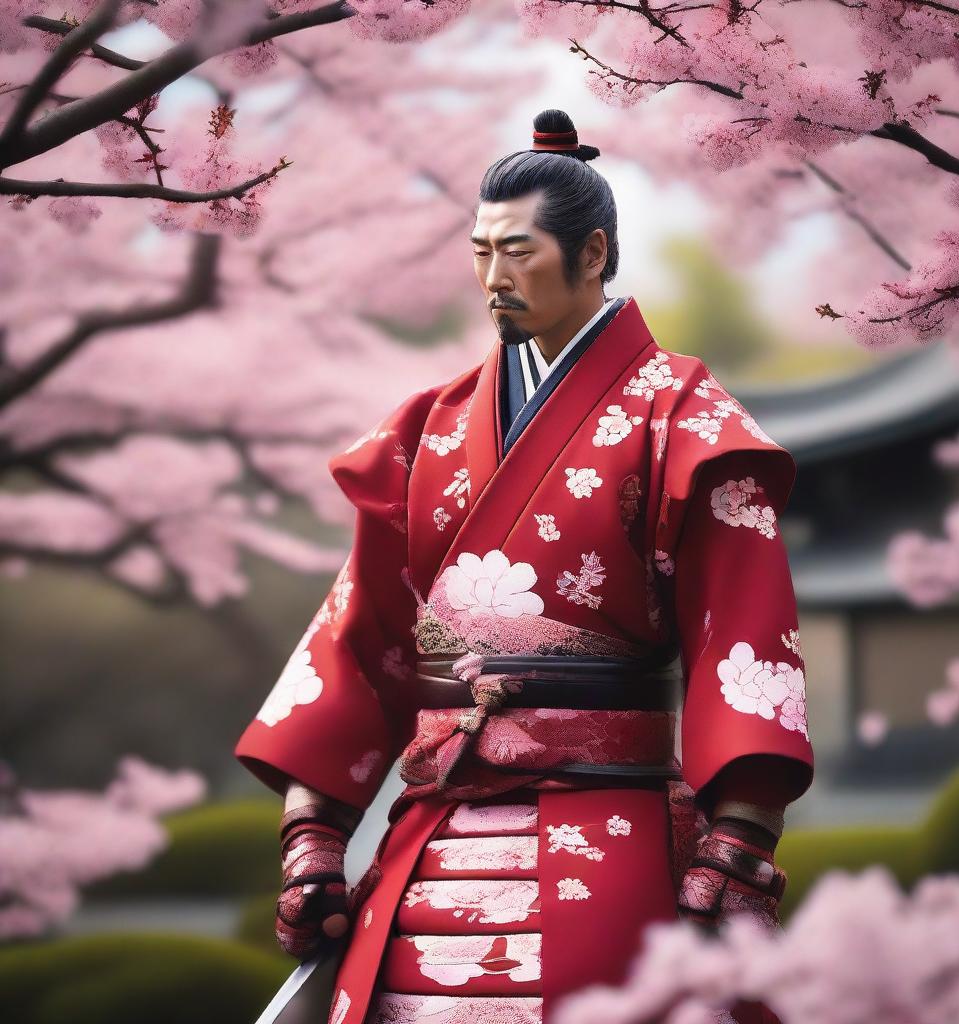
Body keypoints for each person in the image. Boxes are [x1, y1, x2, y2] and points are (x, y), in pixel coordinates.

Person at [234, 108, 814, 1024]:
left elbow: (744, 638)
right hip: (431, 836)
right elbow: (360, 641)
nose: (493, 279)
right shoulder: (428, 428)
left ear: (592, 255)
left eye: (519, 252)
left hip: (614, 834)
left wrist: (740, 835)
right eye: (480, 252)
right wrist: (314, 832)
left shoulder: (685, 421)